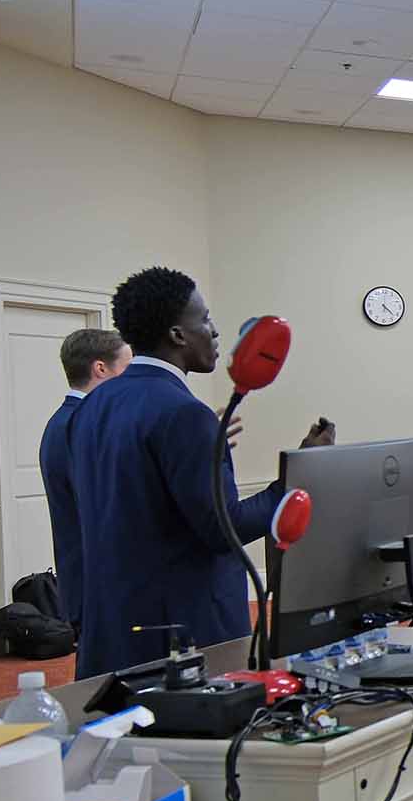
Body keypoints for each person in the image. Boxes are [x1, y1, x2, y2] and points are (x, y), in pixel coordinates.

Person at [68, 267, 335, 678]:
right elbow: (222, 529)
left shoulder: (91, 406)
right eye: (205, 320)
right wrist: (300, 471)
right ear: (177, 335)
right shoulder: (185, 414)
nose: (214, 332)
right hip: (183, 630)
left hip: (116, 624)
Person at [40, 328, 131, 631]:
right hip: (99, 586)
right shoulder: (80, 426)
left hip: (93, 584)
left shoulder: (66, 422)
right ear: (101, 368)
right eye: (127, 368)